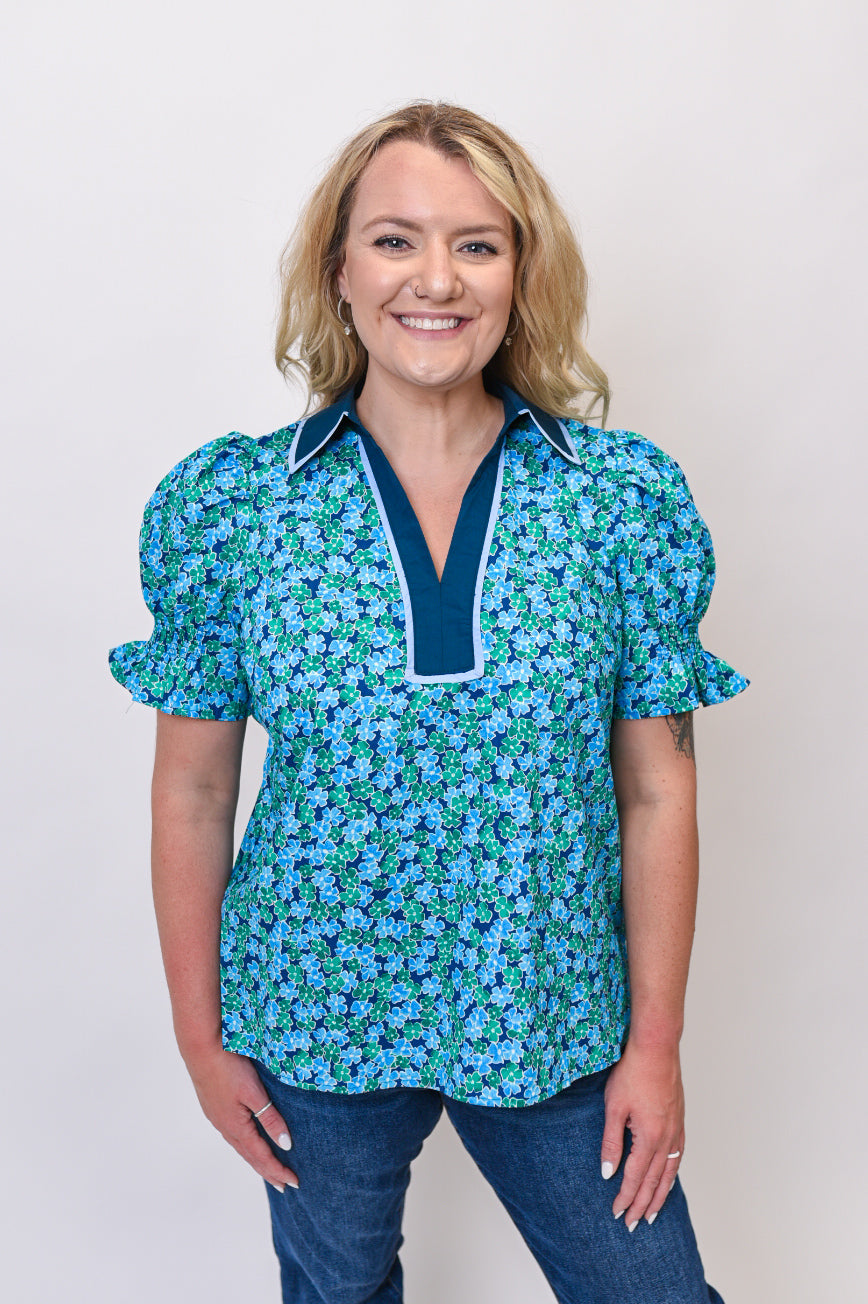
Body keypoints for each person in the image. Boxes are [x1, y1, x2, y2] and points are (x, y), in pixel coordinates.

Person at [109, 100, 748, 1304]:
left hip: (551, 1003)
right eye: (395, 240)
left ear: (521, 274)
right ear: (338, 271)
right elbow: (192, 790)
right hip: (311, 1012)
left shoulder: (617, 501)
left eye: (477, 243)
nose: (436, 279)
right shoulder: (234, 507)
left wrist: (655, 1045)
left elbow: (658, 789)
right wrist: (201, 1036)